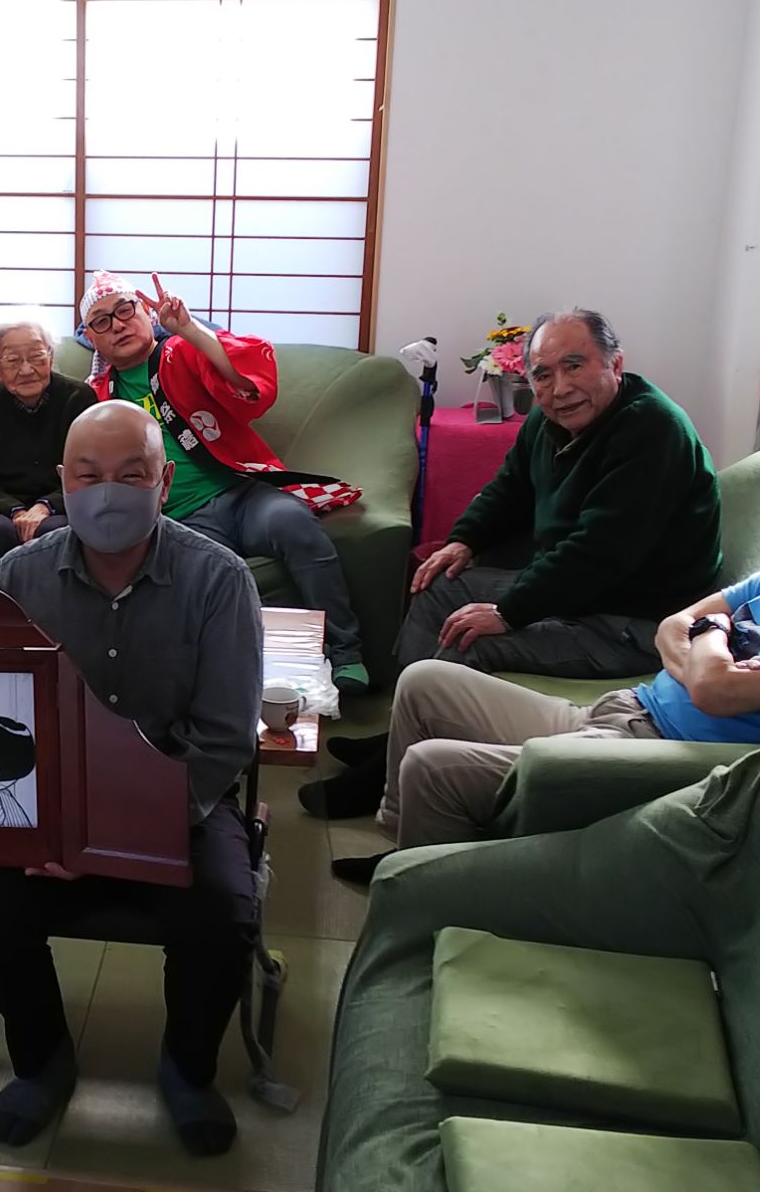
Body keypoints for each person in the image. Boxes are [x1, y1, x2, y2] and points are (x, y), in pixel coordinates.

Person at [336, 430, 760, 882]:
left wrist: (708, 638)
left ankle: (428, 903)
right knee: (425, 681)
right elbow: (675, 624)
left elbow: (714, 688)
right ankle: (406, 852)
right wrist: (712, 642)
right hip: (626, 710)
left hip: (663, 760)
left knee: (434, 766)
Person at [0, 401, 265, 1158]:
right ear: (62, 482)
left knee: (224, 914)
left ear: (165, 482)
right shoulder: (17, 577)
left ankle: (188, 1069)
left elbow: (224, 738)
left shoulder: (219, 581)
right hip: (51, 806)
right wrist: (58, 822)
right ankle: (42, 1061)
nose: (107, 494)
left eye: (131, 475)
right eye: (88, 476)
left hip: (180, 806)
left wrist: (121, 829)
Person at [307, 308, 721, 817]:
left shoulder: (652, 431)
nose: (560, 388)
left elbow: (598, 555)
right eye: (543, 375)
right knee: (436, 583)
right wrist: (463, 541)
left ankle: (386, 778)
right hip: (578, 592)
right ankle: (401, 734)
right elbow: (507, 489)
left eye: (575, 366)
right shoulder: (550, 421)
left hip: (632, 620)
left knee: (470, 636)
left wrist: (508, 612)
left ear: (616, 364)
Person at [76, 270, 370, 693]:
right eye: (102, 321)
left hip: (242, 493)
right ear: (90, 338)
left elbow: (247, 382)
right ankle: (255, 676)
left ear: (145, 313)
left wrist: (190, 330)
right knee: (211, 576)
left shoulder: (179, 352)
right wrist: (0, 378)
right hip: (179, 518)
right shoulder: (98, 394)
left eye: (125, 310)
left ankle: (346, 651)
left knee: (293, 523)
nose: (118, 325)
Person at [0, 310, 95, 571]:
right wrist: (14, 510)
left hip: (61, 505)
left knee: (57, 530)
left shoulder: (78, 398)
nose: (26, 370)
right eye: (12, 360)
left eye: (36, 356)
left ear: (51, 355)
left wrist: (47, 506)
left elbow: (94, 469)